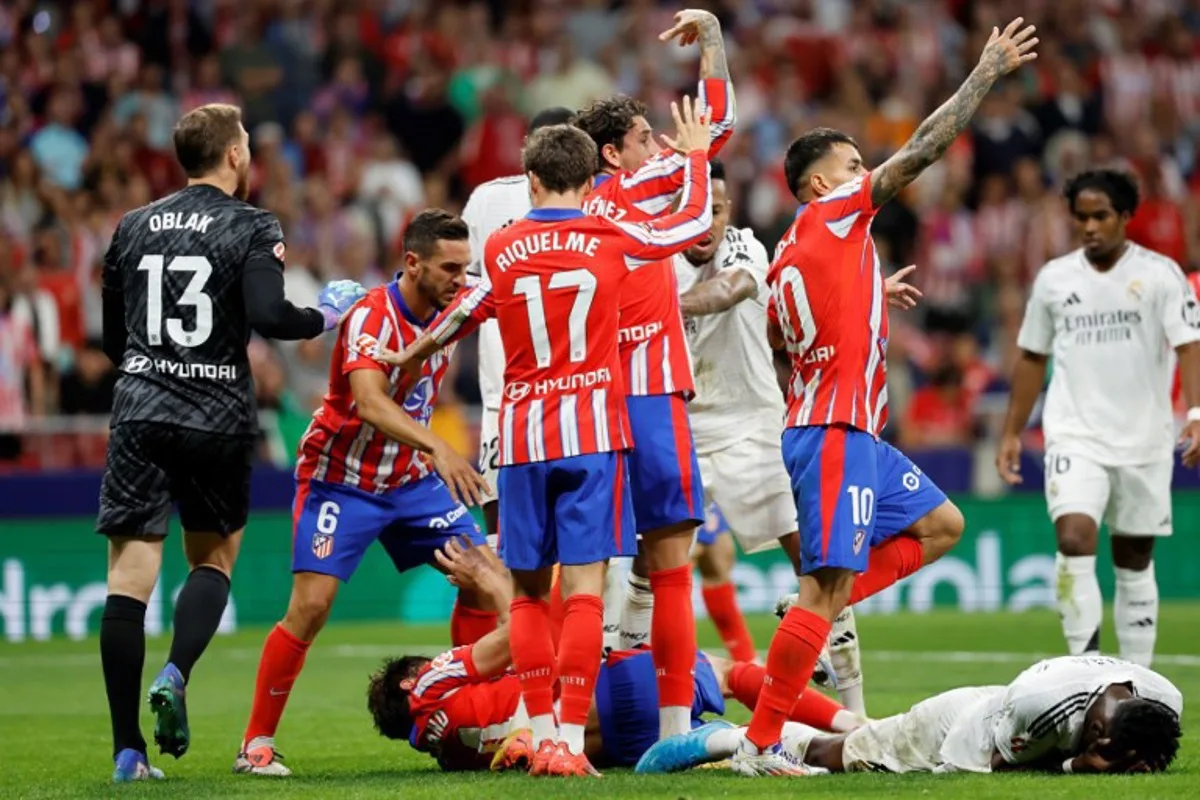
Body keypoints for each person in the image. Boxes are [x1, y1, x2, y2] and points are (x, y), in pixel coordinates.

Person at [676, 18, 1039, 777]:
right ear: (820, 182)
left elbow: (791, 331)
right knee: (826, 588)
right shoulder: (839, 212)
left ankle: (815, 604)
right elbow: (925, 149)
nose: (865, 169)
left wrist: (873, 289)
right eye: (853, 163)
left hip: (846, 432)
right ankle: (762, 744)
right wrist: (984, 74)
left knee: (943, 524)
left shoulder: (790, 252)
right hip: (834, 431)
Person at [376, 101, 714, 776]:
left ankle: (537, 728)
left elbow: (471, 308)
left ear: (530, 180)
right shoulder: (610, 232)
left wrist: (413, 351)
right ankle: (563, 738)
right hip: (593, 426)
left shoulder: (501, 244)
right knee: (586, 592)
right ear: (590, 178)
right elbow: (694, 224)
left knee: (528, 595)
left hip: (523, 433)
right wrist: (698, 155)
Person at [97, 103, 365, 782]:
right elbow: (273, 316)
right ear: (235, 156)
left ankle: (128, 751)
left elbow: (110, 339)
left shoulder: (131, 226)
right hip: (215, 414)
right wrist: (329, 311)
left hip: (140, 411)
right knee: (212, 561)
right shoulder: (250, 224)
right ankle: (177, 671)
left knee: (128, 580)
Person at [233, 209, 491, 776]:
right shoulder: (372, 316)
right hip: (341, 481)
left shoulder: (462, 298)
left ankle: (464, 719)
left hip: (410, 481)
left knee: (485, 577)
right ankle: (255, 744)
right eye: (449, 267)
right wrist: (440, 447)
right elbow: (370, 402)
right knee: (312, 605)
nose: (459, 278)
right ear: (412, 263)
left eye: (464, 267)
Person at [674, 159, 916, 712]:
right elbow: (801, 303)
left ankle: (855, 712)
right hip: (676, 429)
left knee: (819, 561)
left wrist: (655, 307)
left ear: (728, 210)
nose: (706, 221)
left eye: (715, 209)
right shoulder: (654, 257)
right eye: (695, 211)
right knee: (646, 574)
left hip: (752, 425)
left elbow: (732, 291)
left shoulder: (745, 248)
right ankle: (655, 716)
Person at [572, 7, 735, 739]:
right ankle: (673, 732)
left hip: (586, 401)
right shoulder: (634, 197)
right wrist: (715, 45)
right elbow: (707, 166)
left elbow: (713, 126)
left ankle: (555, 726)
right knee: (671, 559)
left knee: (577, 571)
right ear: (613, 155)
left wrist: (712, 47)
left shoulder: (580, 208)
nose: (659, 144)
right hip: (646, 392)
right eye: (644, 137)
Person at [366, 538, 863, 772]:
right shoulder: (430, 684)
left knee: (724, 712)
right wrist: (499, 584)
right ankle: (853, 726)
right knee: (732, 674)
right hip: (594, 700)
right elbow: (518, 638)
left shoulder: (448, 757)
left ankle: (816, 746)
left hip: (621, 749)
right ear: (409, 682)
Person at [997, 169, 1200, 667]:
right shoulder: (1054, 279)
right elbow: (1030, 357)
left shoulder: (1159, 275)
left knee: (1133, 559)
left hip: (1143, 438)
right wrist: (1011, 431)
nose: (1089, 227)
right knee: (1073, 537)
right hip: (1074, 435)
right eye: (1081, 217)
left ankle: (1136, 682)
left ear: (1125, 217)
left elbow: (1189, 345)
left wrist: (1195, 414)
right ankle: (1085, 670)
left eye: (1100, 216)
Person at [638, 654, 1182, 776]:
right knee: (839, 758)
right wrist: (1074, 768)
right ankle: (724, 740)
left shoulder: (1164, 702)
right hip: (964, 730)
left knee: (855, 739)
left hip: (997, 701)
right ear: (1097, 728)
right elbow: (1000, 765)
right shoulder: (1042, 709)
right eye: (1108, 751)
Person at [461, 108, 573, 541]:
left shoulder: (597, 202)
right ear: (526, 147)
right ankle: (513, 610)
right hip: (503, 399)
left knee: (574, 535)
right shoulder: (489, 201)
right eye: (542, 144)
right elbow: (462, 287)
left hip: (575, 395)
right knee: (502, 533)